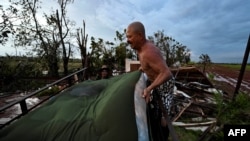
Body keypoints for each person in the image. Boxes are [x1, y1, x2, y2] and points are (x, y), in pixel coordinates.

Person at [126, 21, 175, 141]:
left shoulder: (149, 52)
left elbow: (166, 73)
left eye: (130, 36)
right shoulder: (139, 49)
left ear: (140, 36)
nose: (127, 40)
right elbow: (149, 65)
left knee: (164, 121)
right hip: (156, 84)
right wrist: (143, 68)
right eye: (127, 37)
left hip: (165, 88)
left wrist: (149, 88)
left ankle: (163, 136)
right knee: (155, 111)